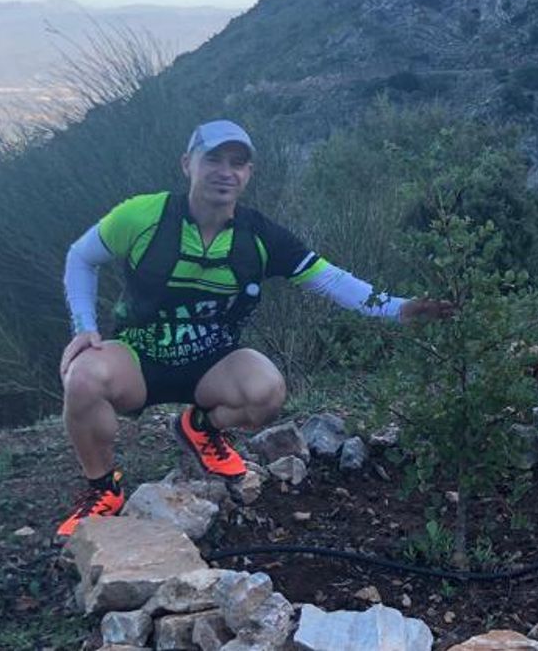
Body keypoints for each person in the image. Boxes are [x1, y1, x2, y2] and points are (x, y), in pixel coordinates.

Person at [55, 119, 449, 540]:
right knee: (83, 377)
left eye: (238, 163)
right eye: (214, 159)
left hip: (211, 363)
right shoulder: (144, 216)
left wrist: (399, 309)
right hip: (139, 356)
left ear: (248, 174)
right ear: (188, 164)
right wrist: (84, 326)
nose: (226, 171)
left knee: (268, 391)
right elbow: (82, 256)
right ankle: (103, 488)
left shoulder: (260, 237)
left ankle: (201, 428)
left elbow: (332, 280)